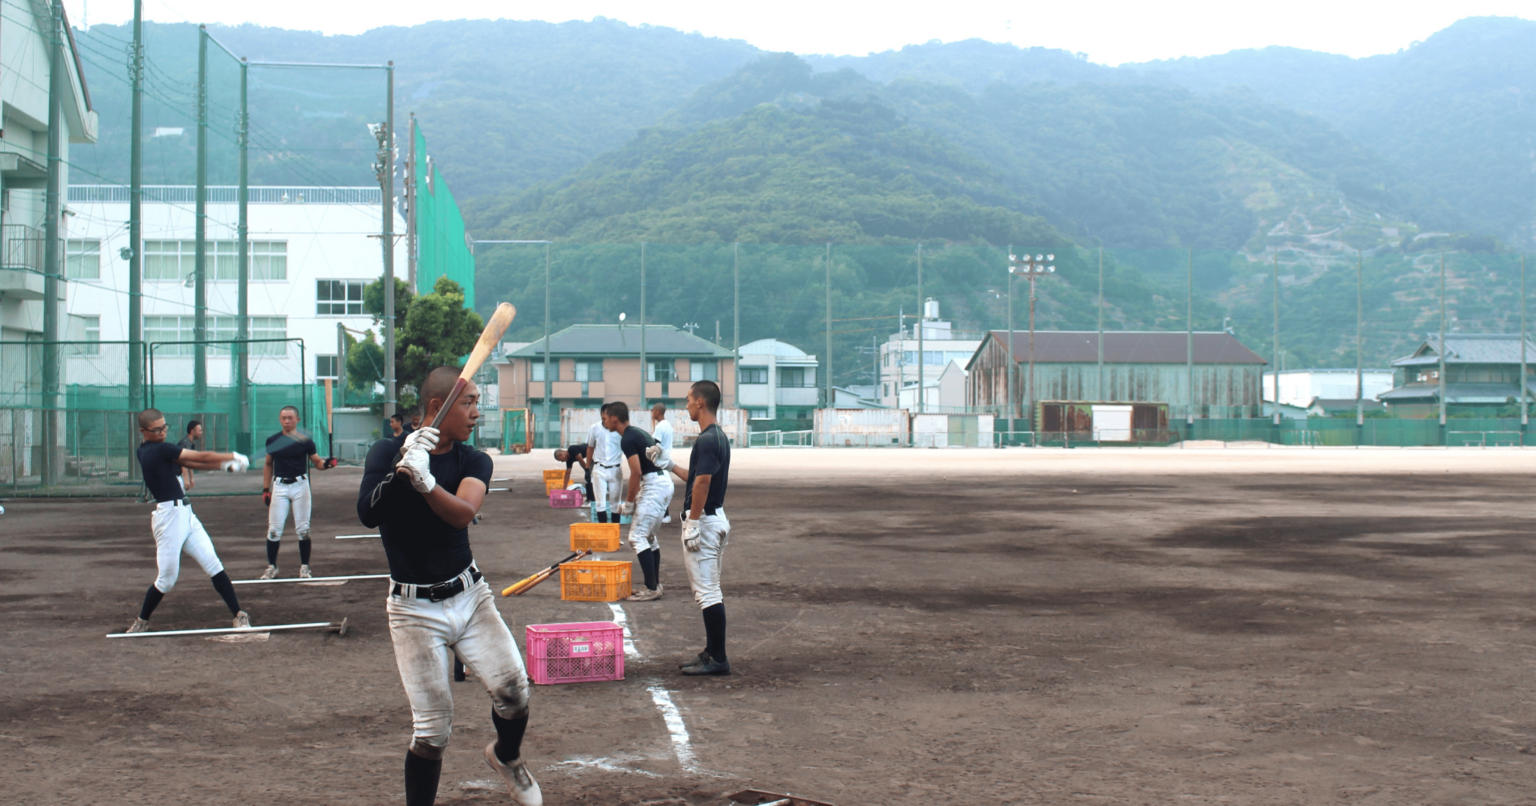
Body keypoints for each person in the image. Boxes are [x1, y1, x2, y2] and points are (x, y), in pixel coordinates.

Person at [357, 367, 540, 806]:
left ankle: (507, 756)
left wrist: (426, 481)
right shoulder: (387, 451)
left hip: (470, 597)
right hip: (412, 611)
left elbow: (461, 514)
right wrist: (402, 470)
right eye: (469, 402)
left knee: (515, 694)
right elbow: (367, 513)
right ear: (437, 407)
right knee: (432, 731)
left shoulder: (473, 460)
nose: (477, 412)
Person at [125, 408, 252, 634]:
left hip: (186, 514)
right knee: (166, 580)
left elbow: (193, 463)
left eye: (165, 427)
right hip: (169, 520)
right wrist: (232, 456)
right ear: (143, 431)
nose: (163, 432)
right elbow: (200, 457)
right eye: (157, 429)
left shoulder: (154, 449)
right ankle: (141, 621)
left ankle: (238, 614)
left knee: (214, 564)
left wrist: (222, 466)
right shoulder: (155, 450)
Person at [666, 380, 732, 676]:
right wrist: (669, 465)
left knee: (707, 593)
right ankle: (712, 653)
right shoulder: (717, 436)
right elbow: (696, 477)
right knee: (710, 590)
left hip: (704, 520)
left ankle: (718, 658)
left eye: (689, 400)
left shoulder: (707, 440)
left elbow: (702, 483)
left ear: (701, 402)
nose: (687, 405)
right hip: (713, 517)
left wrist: (692, 522)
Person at [260, 406, 338, 580]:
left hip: (300, 485)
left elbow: (316, 462)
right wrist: (266, 489)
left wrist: (327, 464)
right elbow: (268, 464)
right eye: (284, 418)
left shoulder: (305, 441)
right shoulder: (273, 440)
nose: (287, 421)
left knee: (303, 530)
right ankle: (271, 567)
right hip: (279, 486)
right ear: (280, 420)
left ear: (297, 420)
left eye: (290, 418)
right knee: (274, 530)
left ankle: (305, 567)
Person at [608, 402, 671, 602]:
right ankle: (654, 585)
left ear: (614, 419)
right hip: (662, 482)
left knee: (637, 537)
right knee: (649, 537)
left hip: (654, 485)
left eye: (605, 418)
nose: (605, 422)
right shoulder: (637, 432)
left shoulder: (627, 438)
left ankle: (651, 588)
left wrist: (628, 503)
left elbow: (636, 471)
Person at [585, 403, 624, 523]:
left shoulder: (620, 430)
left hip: (616, 469)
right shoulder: (595, 428)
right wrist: (587, 468)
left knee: (615, 504)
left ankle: (615, 531)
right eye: (604, 418)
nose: (606, 421)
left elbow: (628, 448)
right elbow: (590, 447)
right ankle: (604, 530)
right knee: (600, 503)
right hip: (599, 468)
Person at [650, 403, 676, 524]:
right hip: (666, 460)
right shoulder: (668, 425)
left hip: (660, 462)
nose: (652, 413)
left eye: (653, 410)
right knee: (663, 488)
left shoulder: (660, 427)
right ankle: (664, 514)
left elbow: (655, 445)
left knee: (658, 489)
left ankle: (664, 515)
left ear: (657, 411)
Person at [177, 420, 203, 492]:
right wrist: (186, 479)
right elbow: (184, 462)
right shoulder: (185, 443)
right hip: (174, 476)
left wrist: (191, 478)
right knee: (179, 497)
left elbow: (189, 462)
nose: (201, 432)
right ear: (192, 431)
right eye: (199, 430)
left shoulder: (191, 444)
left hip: (178, 476)